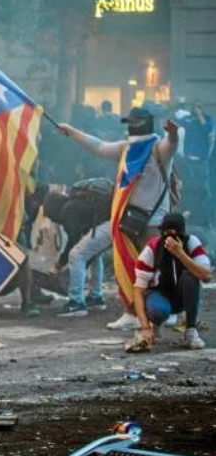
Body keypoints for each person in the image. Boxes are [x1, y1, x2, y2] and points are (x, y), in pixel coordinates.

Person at [59, 108, 181, 331]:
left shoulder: (158, 148)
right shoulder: (127, 148)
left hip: (154, 222)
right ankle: (131, 312)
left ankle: (167, 310)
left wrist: (173, 134)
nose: (130, 127)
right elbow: (98, 146)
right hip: (128, 221)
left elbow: (171, 145)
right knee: (129, 268)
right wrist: (72, 132)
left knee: (156, 271)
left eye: (133, 123)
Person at [128, 213, 210, 352]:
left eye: (173, 234)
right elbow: (138, 290)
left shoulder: (191, 242)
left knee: (191, 277)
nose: (169, 239)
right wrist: (145, 328)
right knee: (159, 310)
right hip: (158, 294)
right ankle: (156, 324)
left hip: (181, 296)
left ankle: (191, 330)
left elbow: (206, 276)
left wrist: (180, 253)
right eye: (166, 234)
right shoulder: (152, 247)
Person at [41, 179, 113, 317]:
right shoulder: (77, 204)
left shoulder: (68, 210)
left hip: (109, 225)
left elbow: (73, 242)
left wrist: (59, 265)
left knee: (76, 255)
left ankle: (76, 303)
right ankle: (96, 296)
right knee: (93, 252)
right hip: (115, 222)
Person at [177, 101, 214, 227]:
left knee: (204, 190)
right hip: (188, 160)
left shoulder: (207, 120)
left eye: (199, 107)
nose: (196, 109)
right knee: (187, 188)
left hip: (201, 161)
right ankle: (188, 215)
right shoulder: (188, 120)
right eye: (195, 107)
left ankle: (206, 219)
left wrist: (200, 115)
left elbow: (207, 130)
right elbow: (177, 123)